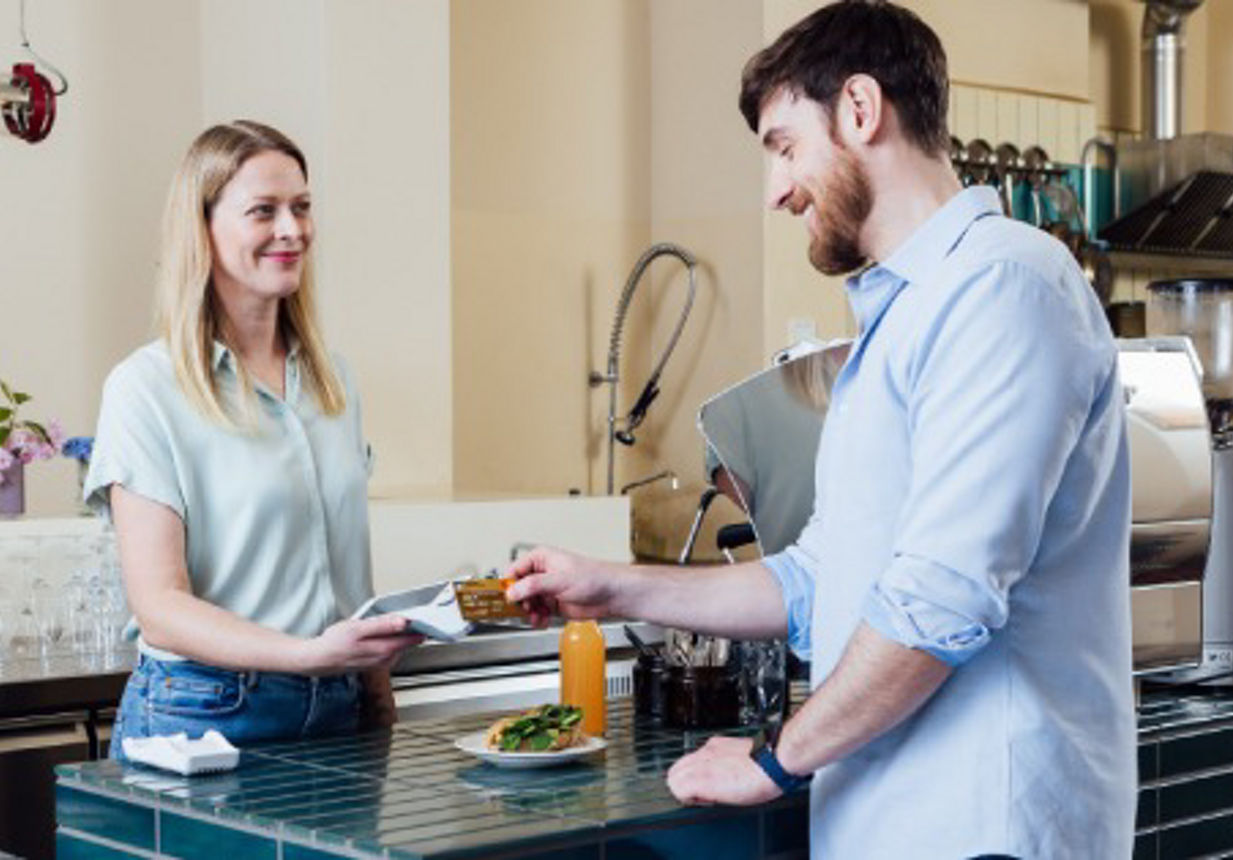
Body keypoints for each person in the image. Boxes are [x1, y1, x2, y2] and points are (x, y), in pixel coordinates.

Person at [506, 3, 1135, 858]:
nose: (775, 189)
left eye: (784, 145)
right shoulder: (904, 316)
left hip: (985, 823)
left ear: (861, 109)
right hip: (892, 819)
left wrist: (775, 760)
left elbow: (943, 597)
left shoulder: (1004, 288)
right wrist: (614, 589)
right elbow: (817, 578)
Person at [85, 120, 424, 762]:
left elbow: (348, 565)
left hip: (341, 707)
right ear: (202, 229)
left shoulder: (333, 380)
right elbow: (159, 605)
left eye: (301, 207)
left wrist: (373, 686)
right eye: (263, 211)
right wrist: (307, 657)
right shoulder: (145, 389)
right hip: (205, 714)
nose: (292, 230)